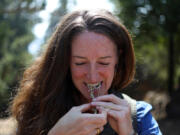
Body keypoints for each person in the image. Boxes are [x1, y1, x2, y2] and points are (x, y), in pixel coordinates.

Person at [11, 9, 162, 135]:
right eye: (80, 63)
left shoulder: (139, 117)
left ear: (118, 59)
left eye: (103, 62)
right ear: (65, 62)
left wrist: (129, 133)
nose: (92, 76)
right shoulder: (35, 112)